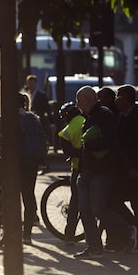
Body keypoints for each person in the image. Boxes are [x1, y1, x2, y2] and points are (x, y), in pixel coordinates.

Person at [0, 92, 47, 245]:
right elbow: (42, 139)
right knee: (28, 196)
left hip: (12, 163)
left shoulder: (8, 118)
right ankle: (27, 235)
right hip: (30, 163)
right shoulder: (34, 119)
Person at [73, 86, 137, 259]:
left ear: (86, 99)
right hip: (88, 170)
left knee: (98, 208)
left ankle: (128, 229)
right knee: (85, 210)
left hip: (101, 170)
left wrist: (90, 143)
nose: (77, 104)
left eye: (79, 101)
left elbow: (110, 142)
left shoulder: (103, 115)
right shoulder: (91, 116)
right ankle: (94, 247)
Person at [113, 84, 138, 252]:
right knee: (115, 199)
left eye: (118, 97)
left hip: (135, 168)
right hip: (123, 166)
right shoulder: (122, 115)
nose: (116, 100)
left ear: (125, 99)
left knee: (136, 202)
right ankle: (134, 227)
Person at [57, 101, 85, 245]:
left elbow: (65, 142)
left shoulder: (70, 127)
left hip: (78, 167)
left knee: (75, 203)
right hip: (95, 165)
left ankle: (69, 236)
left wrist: (74, 153)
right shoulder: (86, 120)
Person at [26, 74, 54, 170]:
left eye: (33, 83)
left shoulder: (42, 95)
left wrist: (51, 123)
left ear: (36, 84)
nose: (31, 85)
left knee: (40, 143)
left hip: (40, 122)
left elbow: (47, 110)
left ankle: (45, 164)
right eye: (29, 83)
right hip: (29, 123)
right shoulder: (26, 94)